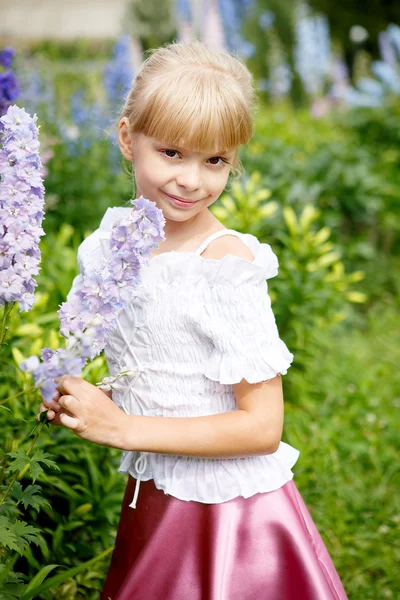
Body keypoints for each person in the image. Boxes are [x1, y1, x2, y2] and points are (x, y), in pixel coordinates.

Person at [38, 41, 348, 600]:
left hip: (228, 513)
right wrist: (75, 392)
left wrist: (124, 428)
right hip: (155, 490)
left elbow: (261, 428)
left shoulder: (223, 266)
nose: (191, 181)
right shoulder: (107, 244)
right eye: (173, 152)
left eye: (215, 161)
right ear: (128, 139)